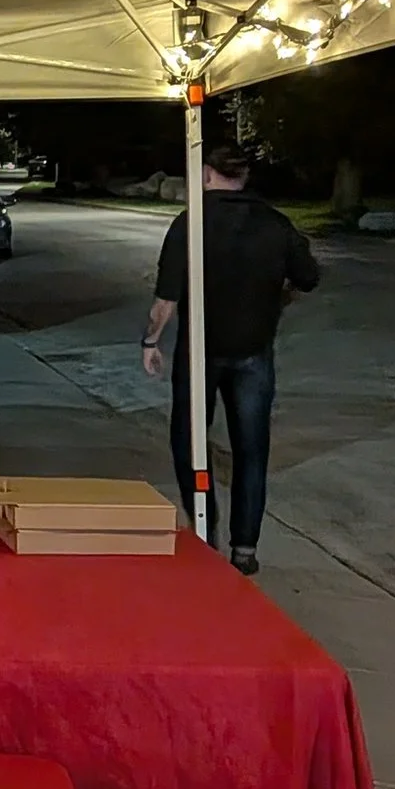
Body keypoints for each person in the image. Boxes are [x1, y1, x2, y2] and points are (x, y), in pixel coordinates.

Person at [139, 144, 319, 576]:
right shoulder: (276, 225)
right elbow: (308, 278)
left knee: (189, 443)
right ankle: (245, 549)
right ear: (244, 176)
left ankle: (205, 534)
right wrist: (278, 301)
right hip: (254, 351)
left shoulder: (191, 224)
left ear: (207, 174)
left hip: (200, 352)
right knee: (251, 450)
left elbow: (166, 298)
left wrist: (151, 341)